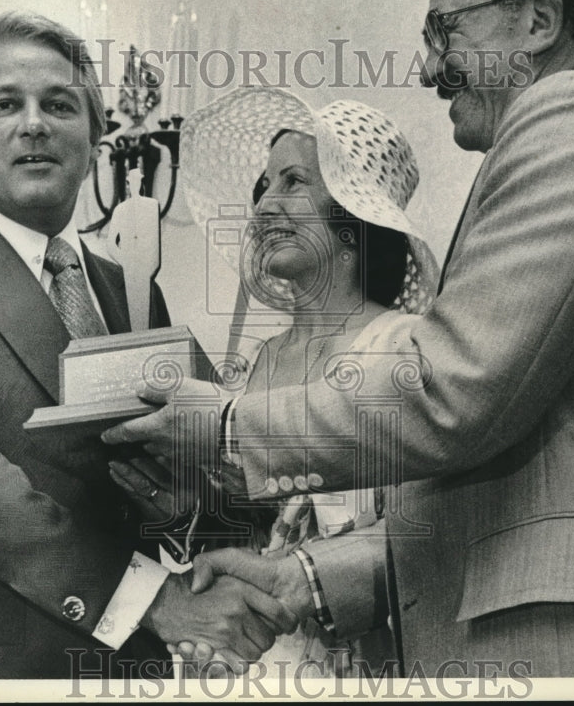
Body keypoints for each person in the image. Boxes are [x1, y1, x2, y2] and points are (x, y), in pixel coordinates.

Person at [111, 0, 574, 677]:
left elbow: (449, 387)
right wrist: (305, 578)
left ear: (540, 18)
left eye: (444, 31)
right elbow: (507, 481)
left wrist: (224, 426)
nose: (427, 70)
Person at [0, 11, 295, 679]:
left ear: (96, 139)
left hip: (123, 672)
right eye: (5, 105)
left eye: (59, 104)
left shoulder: (133, 291)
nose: (34, 123)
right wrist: (155, 598)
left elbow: (190, 481)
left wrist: (184, 514)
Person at [107, 87, 438, 679]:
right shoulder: (259, 362)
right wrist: (189, 513)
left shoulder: (404, 345)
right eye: (264, 188)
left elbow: (425, 538)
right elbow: (252, 536)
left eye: (292, 182)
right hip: (249, 668)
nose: (263, 207)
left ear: (352, 215)